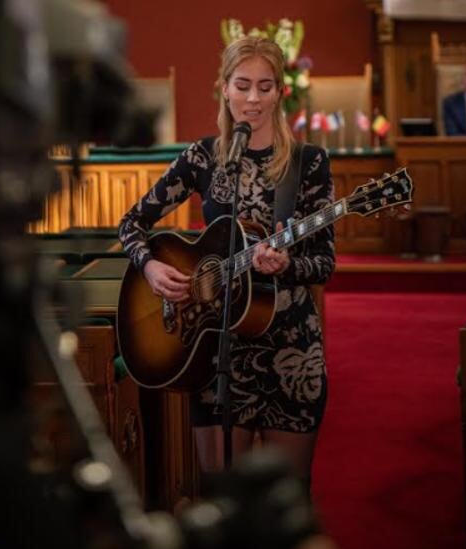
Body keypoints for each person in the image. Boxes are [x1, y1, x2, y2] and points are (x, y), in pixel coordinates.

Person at [118, 36, 334, 497]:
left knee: (287, 503)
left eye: (265, 87)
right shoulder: (202, 157)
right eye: (243, 85)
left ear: (280, 92)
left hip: (291, 353)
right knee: (221, 501)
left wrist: (286, 265)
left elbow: (324, 262)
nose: (253, 99)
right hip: (216, 352)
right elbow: (132, 223)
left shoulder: (308, 163)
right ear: (225, 88)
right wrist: (151, 267)